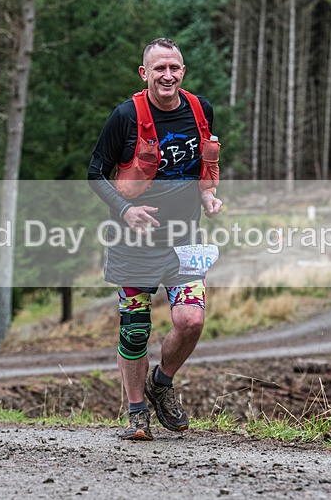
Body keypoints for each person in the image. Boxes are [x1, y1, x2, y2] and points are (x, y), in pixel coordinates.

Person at [88, 38, 222, 441]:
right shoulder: (125, 117)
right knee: (135, 329)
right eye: (159, 69)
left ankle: (161, 384)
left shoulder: (200, 110)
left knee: (192, 320)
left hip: (185, 240)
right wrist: (126, 210)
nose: (168, 75)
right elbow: (95, 173)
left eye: (174, 68)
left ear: (183, 71)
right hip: (133, 243)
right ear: (144, 74)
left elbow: (204, 161)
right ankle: (136, 412)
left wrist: (208, 195)